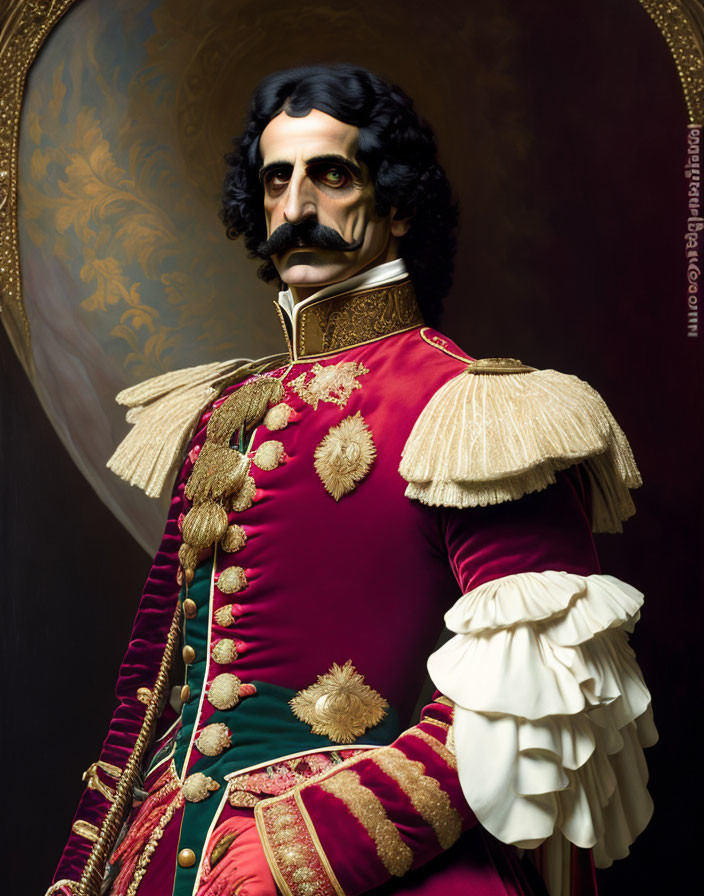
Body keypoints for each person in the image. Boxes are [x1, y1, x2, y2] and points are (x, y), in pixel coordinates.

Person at [46, 64, 657, 896]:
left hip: (371, 868)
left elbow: (537, 689)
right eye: (276, 180)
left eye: (331, 174)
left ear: (397, 203)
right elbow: (158, 702)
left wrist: (306, 851)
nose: (297, 207)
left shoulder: (477, 409)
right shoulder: (227, 410)